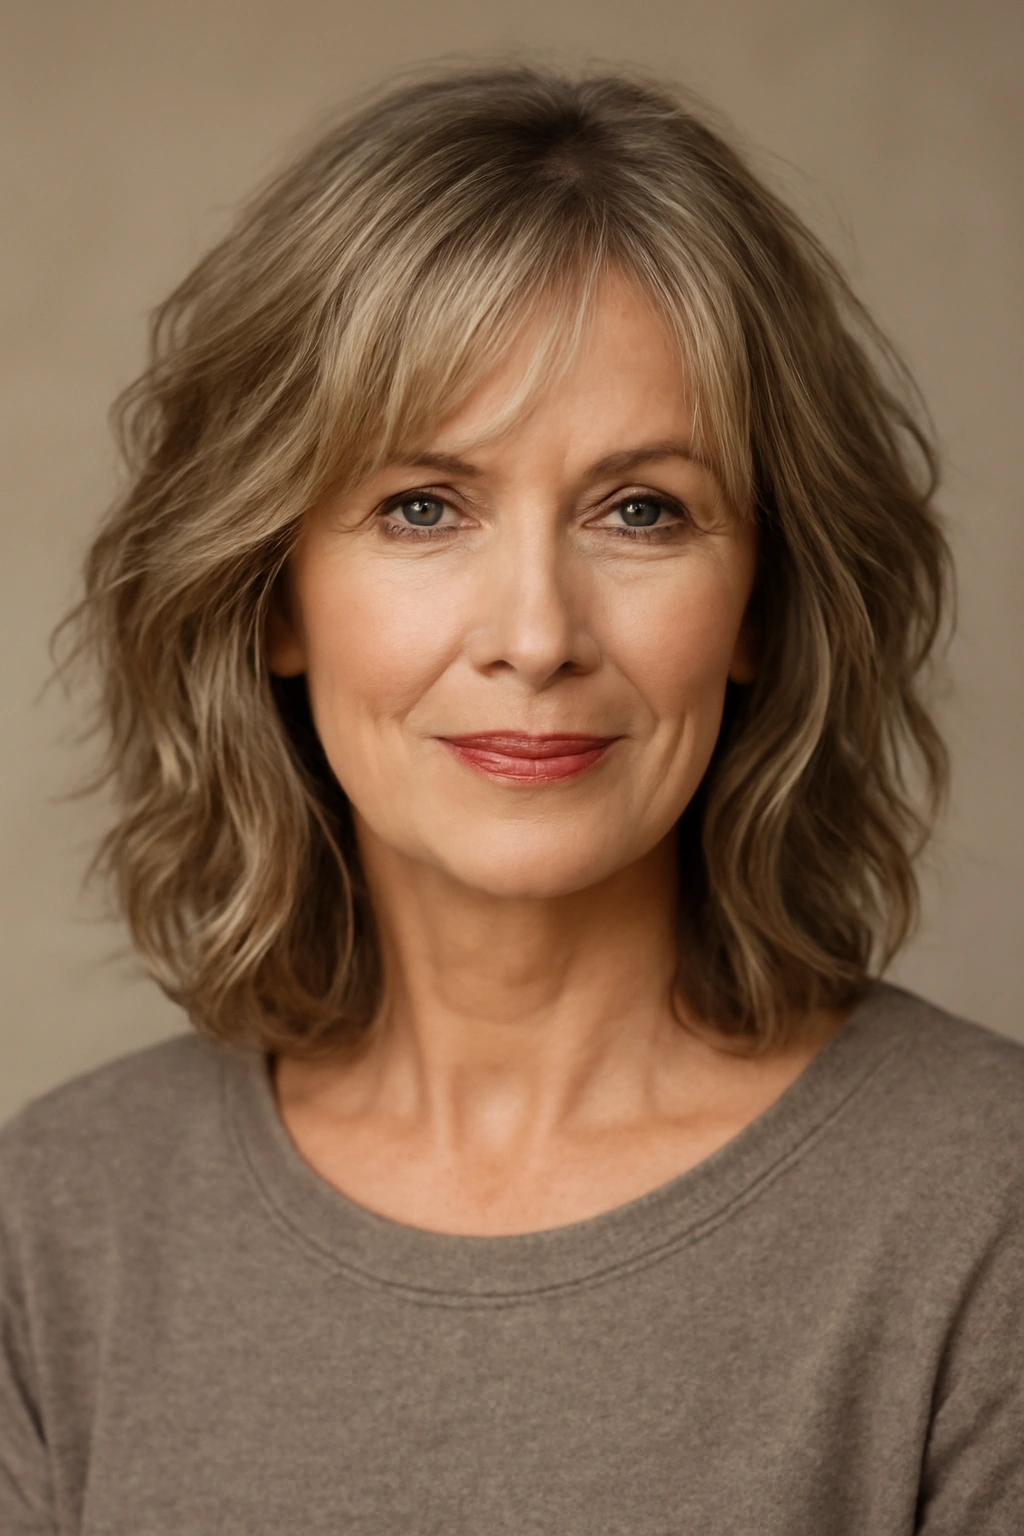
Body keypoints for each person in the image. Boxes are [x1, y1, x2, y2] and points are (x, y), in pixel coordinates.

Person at [1, 64, 1021, 1535]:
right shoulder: (62, 1227)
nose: (536, 634)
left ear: (760, 607)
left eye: (641, 511)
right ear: (274, 595)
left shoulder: (986, 1216)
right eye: (423, 507)